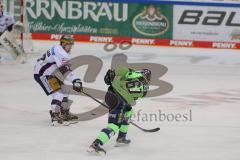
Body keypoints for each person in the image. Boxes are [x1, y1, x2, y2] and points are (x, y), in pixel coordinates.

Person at [88, 67, 151, 154]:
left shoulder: (131, 72)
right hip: (118, 101)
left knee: (128, 110)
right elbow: (135, 97)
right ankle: (96, 144)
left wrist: (110, 74)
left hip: (111, 95)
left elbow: (121, 70)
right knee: (114, 125)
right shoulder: (145, 89)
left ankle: (121, 138)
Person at [34, 35, 83, 125]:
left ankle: (64, 113)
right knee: (58, 93)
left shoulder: (59, 49)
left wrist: (75, 80)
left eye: (72, 44)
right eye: (69, 44)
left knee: (65, 91)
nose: (71, 47)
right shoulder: (61, 52)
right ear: (63, 43)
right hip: (42, 74)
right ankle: (55, 116)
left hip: (49, 72)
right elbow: (65, 70)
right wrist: (75, 80)